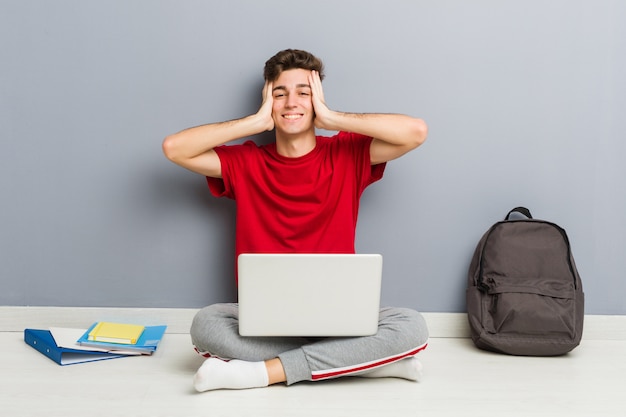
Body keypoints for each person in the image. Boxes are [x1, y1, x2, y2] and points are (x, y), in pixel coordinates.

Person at [162, 49, 429, 392]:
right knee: (206, 325)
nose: (291, 102)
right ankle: (359, 363)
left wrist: (332, 118)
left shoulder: (346, 153)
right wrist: (254, 122)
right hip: (266, 321)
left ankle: (261, 373)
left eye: (304, 92)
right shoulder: (246, 162)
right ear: (267, 102)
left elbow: (415, 132)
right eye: (279, 93)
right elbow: (174, 148)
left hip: (339, 318)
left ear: (317, 99)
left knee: (412, 325)